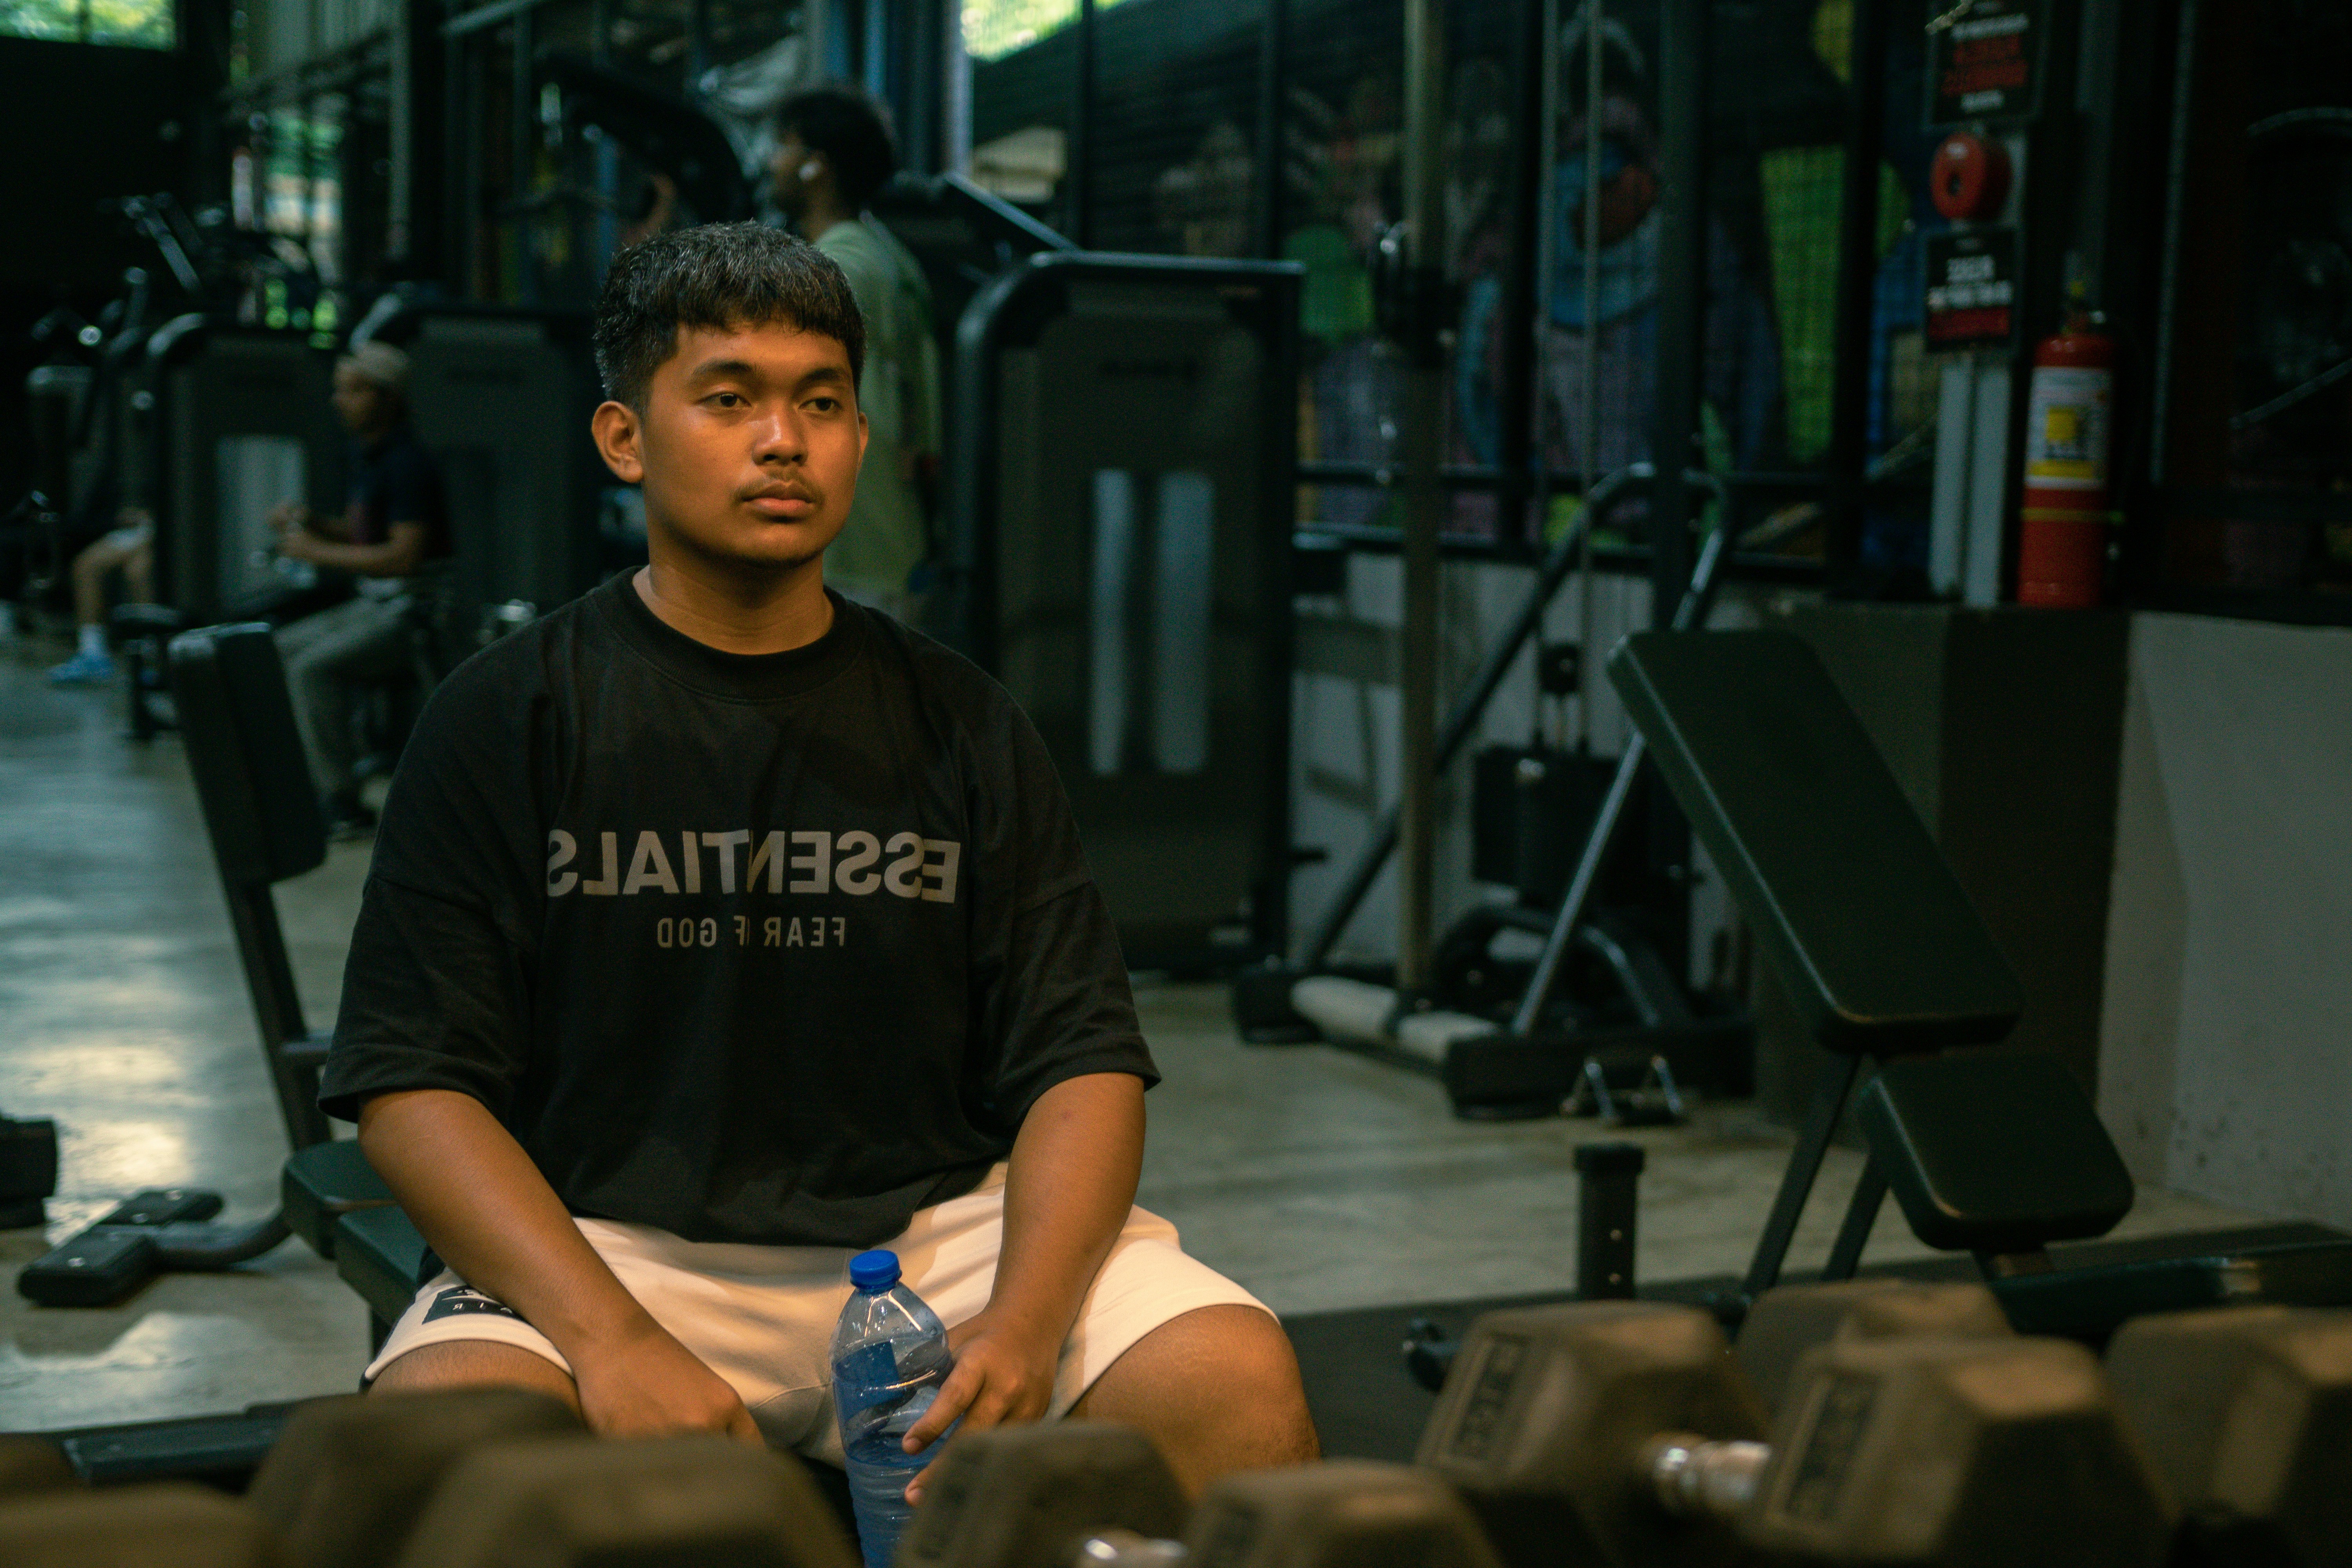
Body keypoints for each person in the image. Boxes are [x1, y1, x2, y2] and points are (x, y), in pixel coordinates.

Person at [318, 223, 1318, 1499]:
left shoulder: (963, 721)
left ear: (858, 436)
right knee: (448, 1450)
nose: (782, 440)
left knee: (1234, 1380)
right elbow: (414, 1084)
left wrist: (1022, 1321)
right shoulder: (507, 715)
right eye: (729, 399)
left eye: (821, 403)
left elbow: (1082, 1061)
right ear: (626, 439)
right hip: (612, 1245)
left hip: (938, 1241)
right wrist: (612, 1337)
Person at [770, 86, 939, 623]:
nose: (772, 161)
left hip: (856, 554)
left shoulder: (838, 269)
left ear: (814, 168)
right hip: (890, 542)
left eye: (784, 146)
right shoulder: (888, 255)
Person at [269, 339, 449, 832]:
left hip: (409, 613)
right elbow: (361, 533)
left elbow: (402, 556)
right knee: (279, 647)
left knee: (312, 670)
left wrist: (314, 552)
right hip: (373, 603)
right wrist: (311, 523)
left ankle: (342, 801)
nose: (339, 401)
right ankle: (313, 777)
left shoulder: (409, 463)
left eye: (353, 392)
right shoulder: (370, 457)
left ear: (386, 397)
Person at [44, 506, 155, 684]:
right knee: (86, 566)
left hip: (168, 528)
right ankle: (93, 654)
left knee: (138, 572)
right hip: (145, 526)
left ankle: (151, 659)